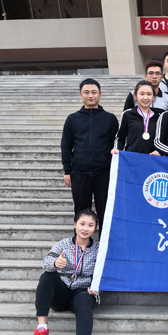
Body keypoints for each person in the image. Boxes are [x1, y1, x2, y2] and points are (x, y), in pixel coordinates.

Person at [31, 209, 100, 335]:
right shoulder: (63, 244)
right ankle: (42, 329)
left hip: (82, 291)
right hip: (61, 291)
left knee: (85, 301)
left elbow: (104, 274)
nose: (85, 228)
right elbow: (46, 263)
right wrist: (55, 263)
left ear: (95, 228)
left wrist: (97, 288)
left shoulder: (98, 249)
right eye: (82, 224)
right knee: (48, 275)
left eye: (90, 225)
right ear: (75, 224)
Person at [61, 78, 118, 230]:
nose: (90, 95)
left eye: (94, 92)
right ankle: (80, 243)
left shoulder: (110, 119)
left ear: (100, 94)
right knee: (81, 212)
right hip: (79, 173)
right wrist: (67, 171)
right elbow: (66, 146)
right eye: (86, 92)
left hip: (104, 173)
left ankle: (105, 243)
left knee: (105, 211)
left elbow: (116, 144)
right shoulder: (72, 119)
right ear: (81, 94)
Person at [113, 80, 161, 156]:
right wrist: (116, 149)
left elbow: (163, 140)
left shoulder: (159, 116)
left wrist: (159, 151)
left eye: (149, 94)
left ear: (153, 96)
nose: (145, 98)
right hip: (132, 158)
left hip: (153, 159)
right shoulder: (127, 114)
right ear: (135, 95)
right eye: (142, 94)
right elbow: (120, 138)